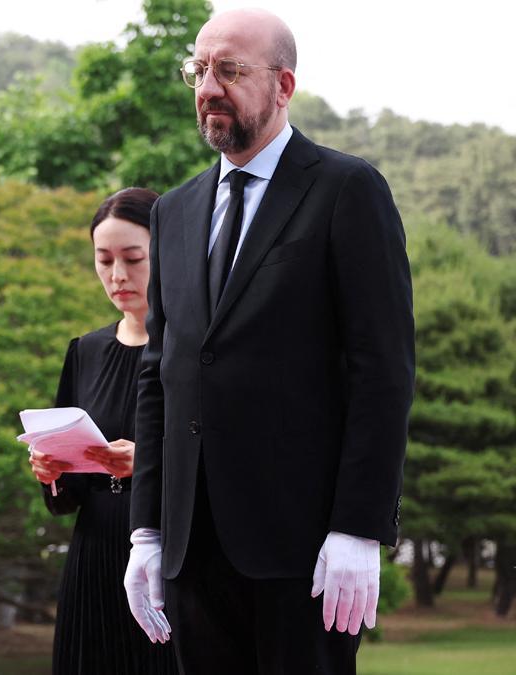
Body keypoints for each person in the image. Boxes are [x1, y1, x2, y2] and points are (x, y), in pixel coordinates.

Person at [123, 9, 414, 674]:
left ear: (283, 85)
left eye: (230, 70)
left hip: (306, 550)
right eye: (199, 70)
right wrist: (146, 530)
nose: (207, 86)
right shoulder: (174, 210)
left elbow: (382, 369)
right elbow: (159, 374)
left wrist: (358, 526)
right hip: (193, 551)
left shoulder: (347, 190)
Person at [28, 188, 177, 675]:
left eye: (133, 259)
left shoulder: (194, 349)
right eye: (104, 259)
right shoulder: (86, 351)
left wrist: (148, 464)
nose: (117, 275)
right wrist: (51, 471)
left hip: (168, 556)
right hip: (92, 556)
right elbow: (66, 498)